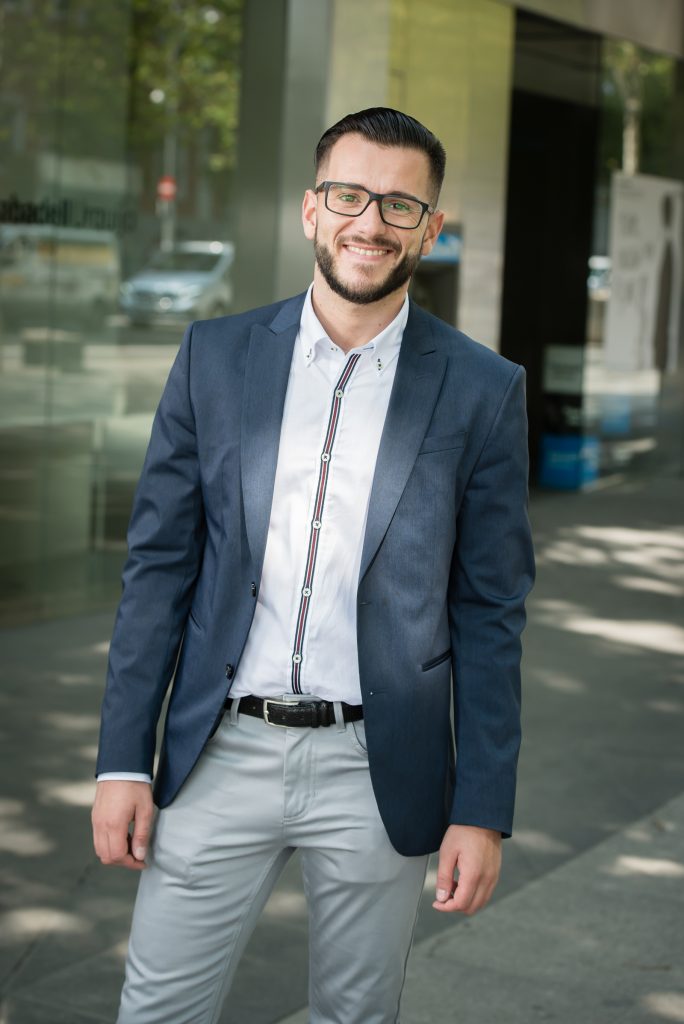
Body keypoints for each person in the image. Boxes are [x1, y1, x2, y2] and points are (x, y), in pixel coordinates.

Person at [92, 106, 535, 1024]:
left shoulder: (484, 389)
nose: (370, 222)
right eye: (348, 195)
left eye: (400, 205)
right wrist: (121, 760)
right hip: (219, 751)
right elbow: (159, 569)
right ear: (310, 209)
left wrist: (482, 807)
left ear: (430, 229)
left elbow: (491, 609)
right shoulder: (214, 357)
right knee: (156, 1013)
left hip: (379, 765)